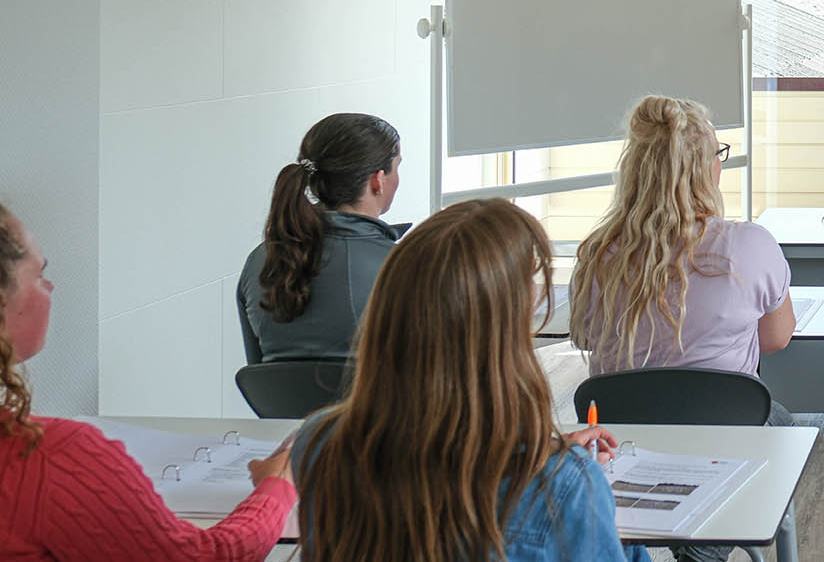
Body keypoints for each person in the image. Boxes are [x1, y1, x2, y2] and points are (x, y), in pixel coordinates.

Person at [294, 198, 645, 562]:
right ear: (505, 333)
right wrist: (584, 491)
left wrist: (549, 458)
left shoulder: (319, 445)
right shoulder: (564, 488)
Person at [0, 201, 295, 559]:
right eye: (38, 275)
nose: (50, 286)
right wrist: (278, 485)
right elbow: (204, 557)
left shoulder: (259, 261)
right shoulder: (50, 457)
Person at [570, 96, 793, 562]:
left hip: (619, 445)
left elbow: (587, 338)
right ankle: (705, 540)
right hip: (723, 437)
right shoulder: (748, 246)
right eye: (718, 154)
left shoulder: (596, 255)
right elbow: (775, 338)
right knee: (779, 423)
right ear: (705, 168)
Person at [236, 112, 405, 364]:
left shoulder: (260, 262)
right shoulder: (404, 267)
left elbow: (258, 369)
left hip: (287, 393)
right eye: (397, 167)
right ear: (377, 181)